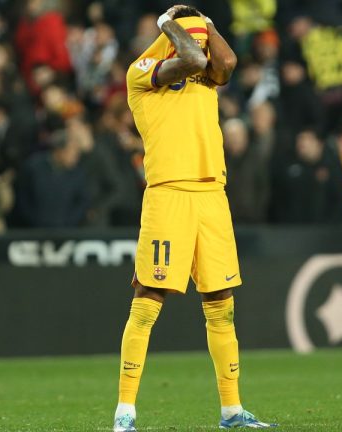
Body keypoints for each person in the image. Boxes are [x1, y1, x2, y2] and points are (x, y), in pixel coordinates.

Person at [114, 6, 275, 431]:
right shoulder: (142, 71)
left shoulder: (208, 72)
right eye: (197, 35)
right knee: (148, 300)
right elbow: (193, 60)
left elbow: (225, 63)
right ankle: (125, 412)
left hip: (211, 195)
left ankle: (232, 411)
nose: (203, 44)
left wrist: (210, 24)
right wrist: (169, 22)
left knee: (221, 305)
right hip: (169, 194)